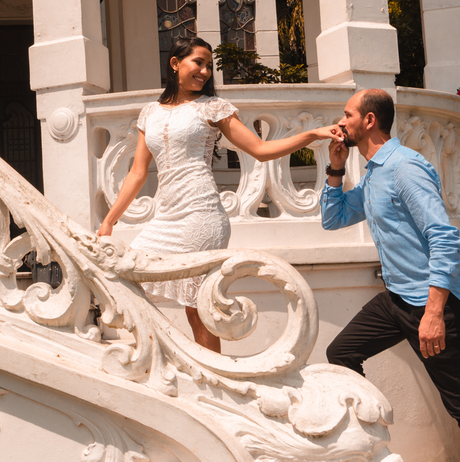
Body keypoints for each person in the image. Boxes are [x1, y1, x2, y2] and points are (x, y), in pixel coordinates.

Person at [321, 88, 460, 462]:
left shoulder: (405, 167)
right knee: (340, 354)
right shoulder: (375, 173)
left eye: (346, 114)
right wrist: (336, 167)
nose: (339, 121)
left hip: (431, 303)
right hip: (396, 299)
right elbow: (334, 217)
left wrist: (435, 312)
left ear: (368, 120)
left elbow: (444, 239)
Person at [97, 36, 340, 352]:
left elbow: (261, 150)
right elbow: (137, 173)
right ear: (175, 63)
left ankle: (210, 384)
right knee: (127, 277)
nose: (205, 71)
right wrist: (109, 221)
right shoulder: (149, 113)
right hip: (166, 218)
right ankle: (167, 357)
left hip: (202, 217)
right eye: (198, 62)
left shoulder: (214, 108)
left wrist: (311, 134)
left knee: (197, 308)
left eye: (209, 65)